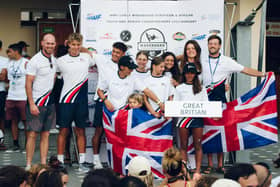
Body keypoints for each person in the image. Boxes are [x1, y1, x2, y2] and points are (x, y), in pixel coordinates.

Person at [202, 35, 265, 174]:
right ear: (207, 45)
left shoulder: (226, 61)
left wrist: (263, 74)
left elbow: (245, 69)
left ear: (219, 46)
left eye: (215, 43)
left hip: (220, 103)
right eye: (210, 43)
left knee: (220, 132)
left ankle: (220, 164)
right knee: (208, 133)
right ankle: (210, 165)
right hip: (205, 101)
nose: (212, 45)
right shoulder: (202, 60)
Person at [56, 33, 95, 172]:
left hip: (81, 101)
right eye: (73, 44)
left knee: (80, 131)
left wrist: (84, 48)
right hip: (66, 101)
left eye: (78, 45)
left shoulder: (86, 58)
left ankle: (82, 161)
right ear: (68, 44)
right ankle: (60, 161)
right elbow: (54, 77)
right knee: (63, 131)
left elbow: (96, 58)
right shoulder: (60, 61)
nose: (76, 47)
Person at [91, 42, 127, 169]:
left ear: (123, 54)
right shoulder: (102, 60)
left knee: (116, 133)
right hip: (102, 101)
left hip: (118, 103)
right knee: (99, 131)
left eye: (118, 53)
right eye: (114, 51)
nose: (115, 54)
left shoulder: (126, 66)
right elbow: (88, 52)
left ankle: (116, 162)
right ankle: (96, 160)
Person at [25, 33, 57, 170]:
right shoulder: (35, 60)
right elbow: (28, 83)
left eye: (52, 43)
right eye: (47, 43)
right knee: (32, 134)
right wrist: (32, 103)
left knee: (46, 134)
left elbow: (54, 79)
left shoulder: (54, 60)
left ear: (55, 44)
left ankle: (43, 163)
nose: (50, 45)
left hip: (50, 102)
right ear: (42, 43)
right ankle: (28, 164)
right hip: (37, 103)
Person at [174, 63, 208, 180]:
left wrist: (213, 113)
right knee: (183, 145)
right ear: (184, 74)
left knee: (198, 145)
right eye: (188, 73)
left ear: (195, 74)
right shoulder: (179, 88)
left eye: (192, 73)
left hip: (197, 119)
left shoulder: (202, 88)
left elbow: (206, 104)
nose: (190, 75)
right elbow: (175, 104)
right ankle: (184, 171)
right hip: (183, 119)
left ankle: (197, 171)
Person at [97, 55, 165, 112]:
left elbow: (147, 91)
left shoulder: (133, 78)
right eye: (130, 68)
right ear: (122, 67)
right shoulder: (110, 76)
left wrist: (159, 103)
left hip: (126, 111)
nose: (132, 70)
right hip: (111, 110)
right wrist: (105, 101)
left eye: (132, 68)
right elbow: (99, 90)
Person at [5, 43, 29, 152]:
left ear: (16, 51)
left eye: (10, 51)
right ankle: (16, 144)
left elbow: (30, 79)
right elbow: (10, 79)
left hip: (23, 96)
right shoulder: (9, 63)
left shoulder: (26, 63)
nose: (8, 54)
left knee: (25, 121)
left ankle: (27, 144)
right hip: (11, 96)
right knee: (13, 120)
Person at [0, 40, 8, 150]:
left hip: (1, 92)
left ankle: (1, 141)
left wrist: (2, 76)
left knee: (1, 117)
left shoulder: (5, 61)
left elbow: (4, 77)